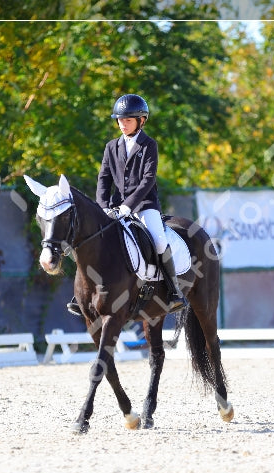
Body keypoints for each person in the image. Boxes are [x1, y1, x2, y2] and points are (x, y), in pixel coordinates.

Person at [67, 93, 185, 317]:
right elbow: (104, 179)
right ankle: (80, 295)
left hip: (144, 206)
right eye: (120, 120)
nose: (122, 124)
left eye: (128, 120)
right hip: (113, 207)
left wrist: (129, 206)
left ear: (141, 120)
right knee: (90, 240)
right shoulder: (112, 146)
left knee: (159, 241)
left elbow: (147, 180)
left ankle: (174, 291)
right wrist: (102, 207)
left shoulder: (149, 145)